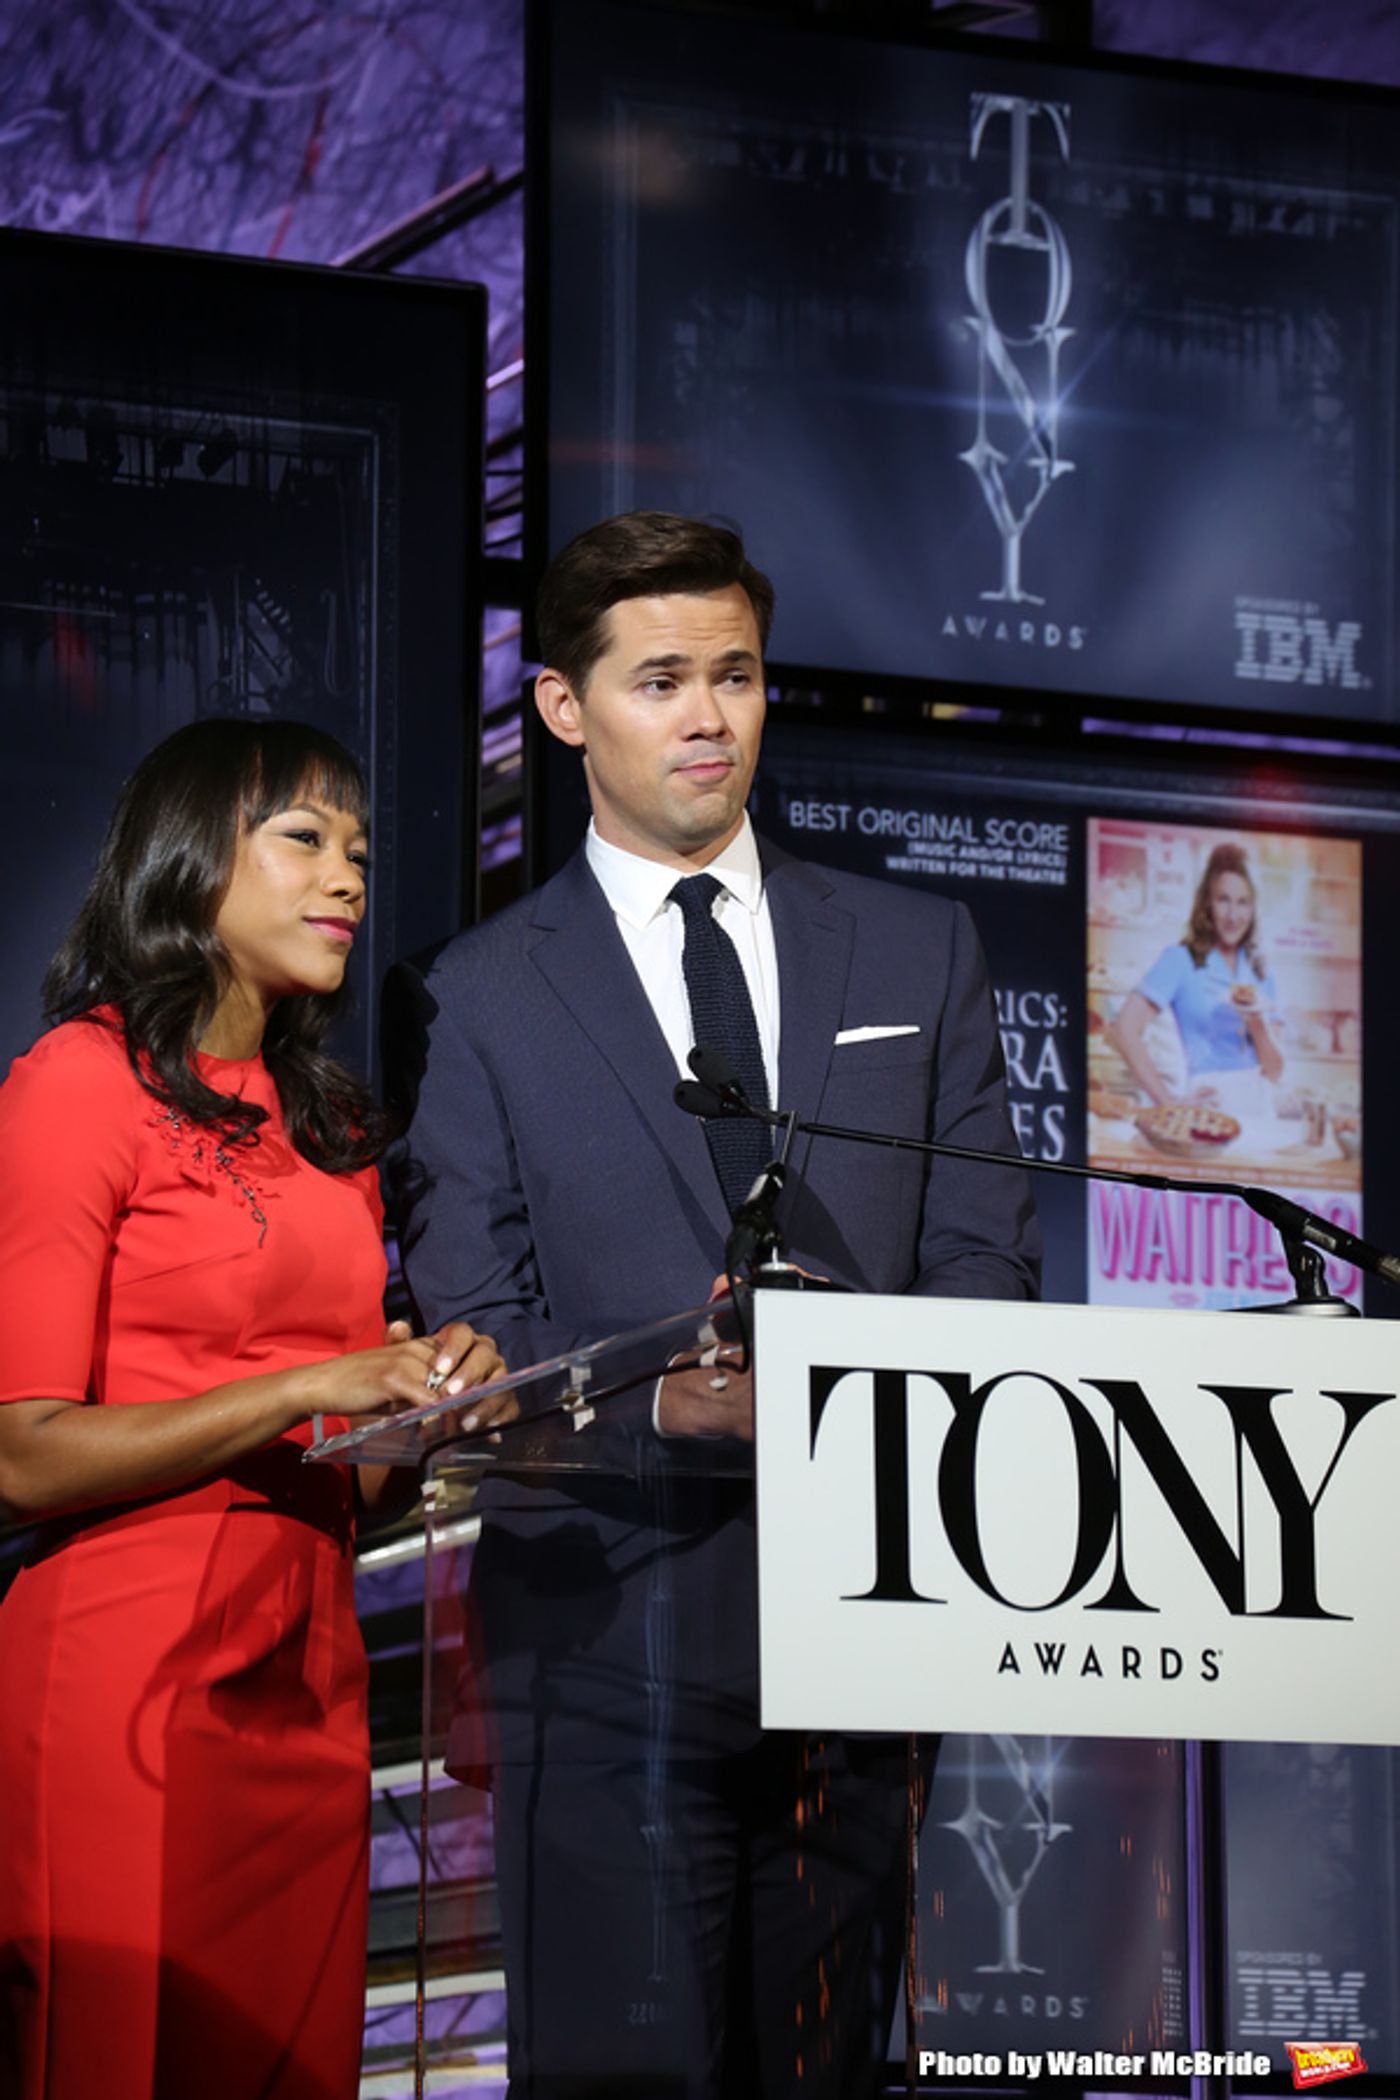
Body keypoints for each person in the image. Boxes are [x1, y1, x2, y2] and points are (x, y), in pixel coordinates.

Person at [385, 511, 1040, 2100]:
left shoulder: (914, 942)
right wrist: (653, 1401)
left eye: (735, 675)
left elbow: (986, 1258)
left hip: (871, 1622)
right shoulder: (474, 994)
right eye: (661, 678)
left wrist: (861, 1388)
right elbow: (470, 1317)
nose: (707, 715)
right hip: (603, 1632)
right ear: (562, 709)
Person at [0, 718, 509, 2100]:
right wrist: (310, 1384)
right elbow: (23, 1457)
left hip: (309, 1664)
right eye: (303, 839)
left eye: (357, 849)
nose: (346, 876)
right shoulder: (75, 1085)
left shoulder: (328, 1135)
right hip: (128, 1673)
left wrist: (423, 1423)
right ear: (186, 861)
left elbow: (343, 1466)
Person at [1108, 840, 1283, 1126]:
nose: (1233, 915)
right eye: (1223, 900)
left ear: (1252, 909)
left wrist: (1256, 1020)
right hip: (1208, 1103)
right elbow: (1124, 1029)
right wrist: (1169, 1104)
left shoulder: (1260, 972)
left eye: (1243, 903)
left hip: (1260, 1108)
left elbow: (1274, 1071)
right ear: (1206, 904)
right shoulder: (1181, 960)